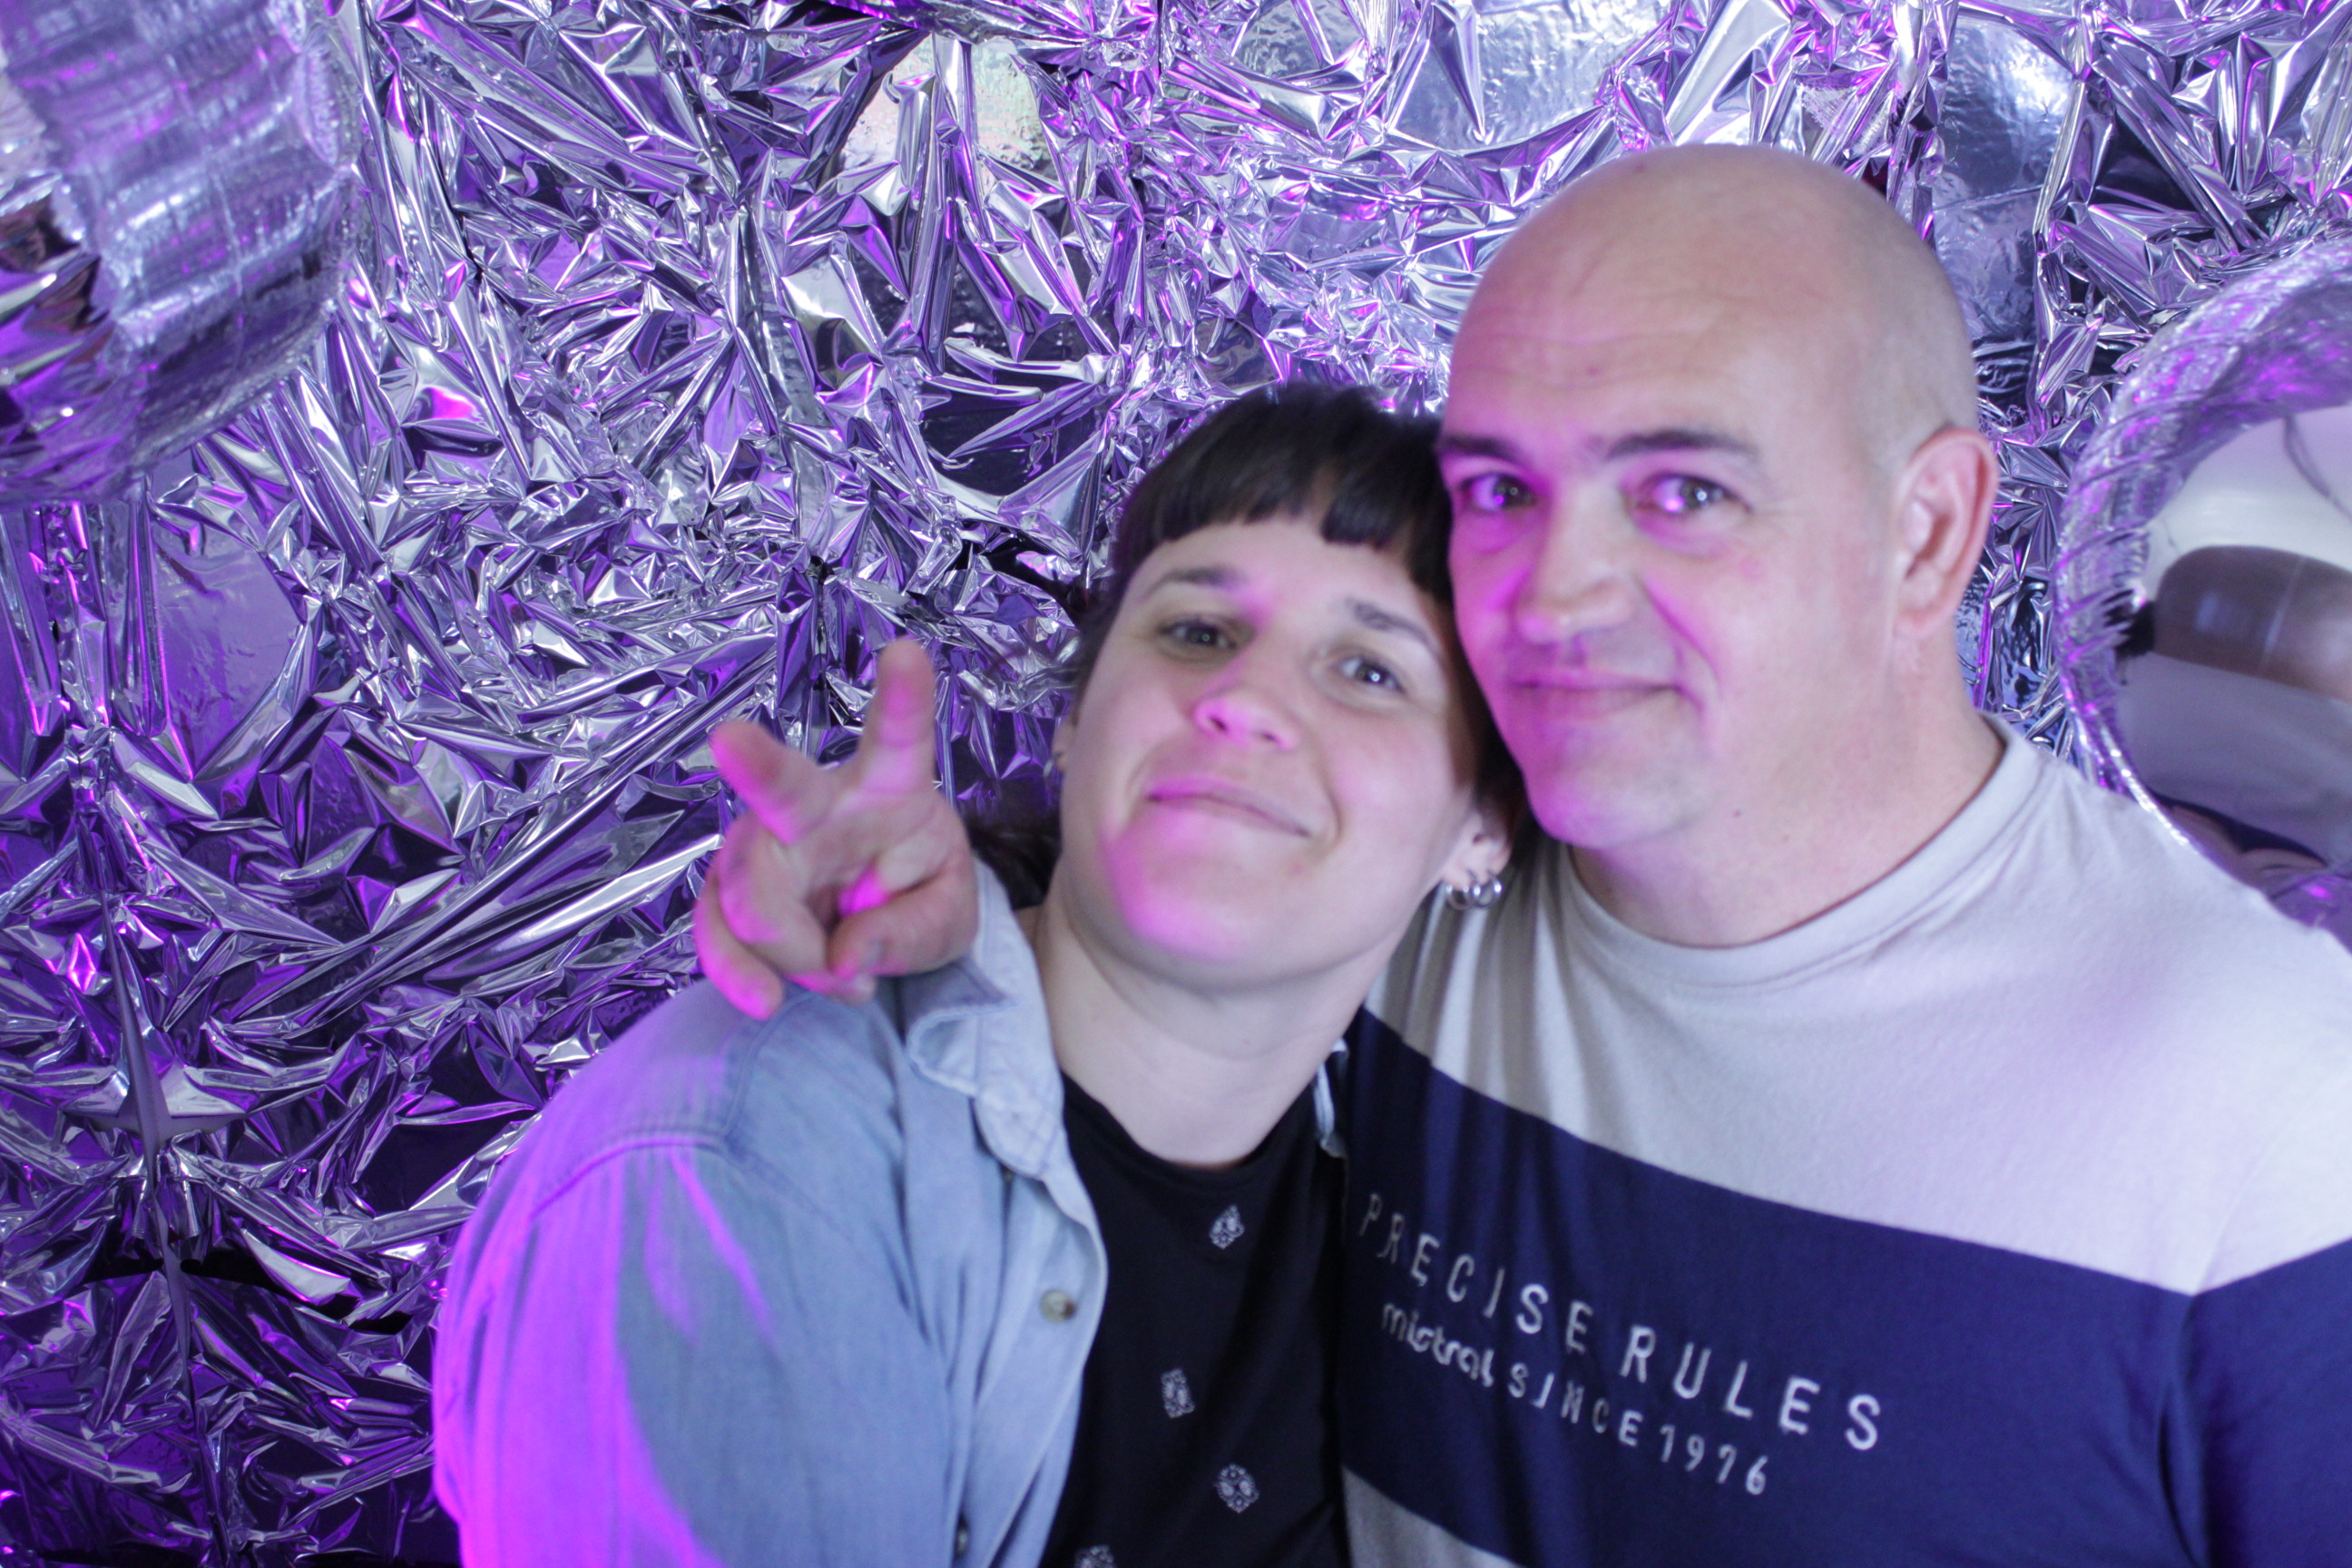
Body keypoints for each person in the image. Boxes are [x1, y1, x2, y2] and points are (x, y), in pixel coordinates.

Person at [698, 145, 2352, 1566]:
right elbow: (1145, 947)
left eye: (1684, 493)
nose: (1552, 599)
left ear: (1925, 533)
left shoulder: (2276, 1100)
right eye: (1498, 490)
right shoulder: (1400, 905)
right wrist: (925, 916)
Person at [431, 385, 1515, 1567]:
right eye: (1198, 631)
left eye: (1368, 669)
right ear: (1076, 721)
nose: (1246, 701)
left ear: (1484, 829)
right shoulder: (748, 1156)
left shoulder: (1433, 1196)